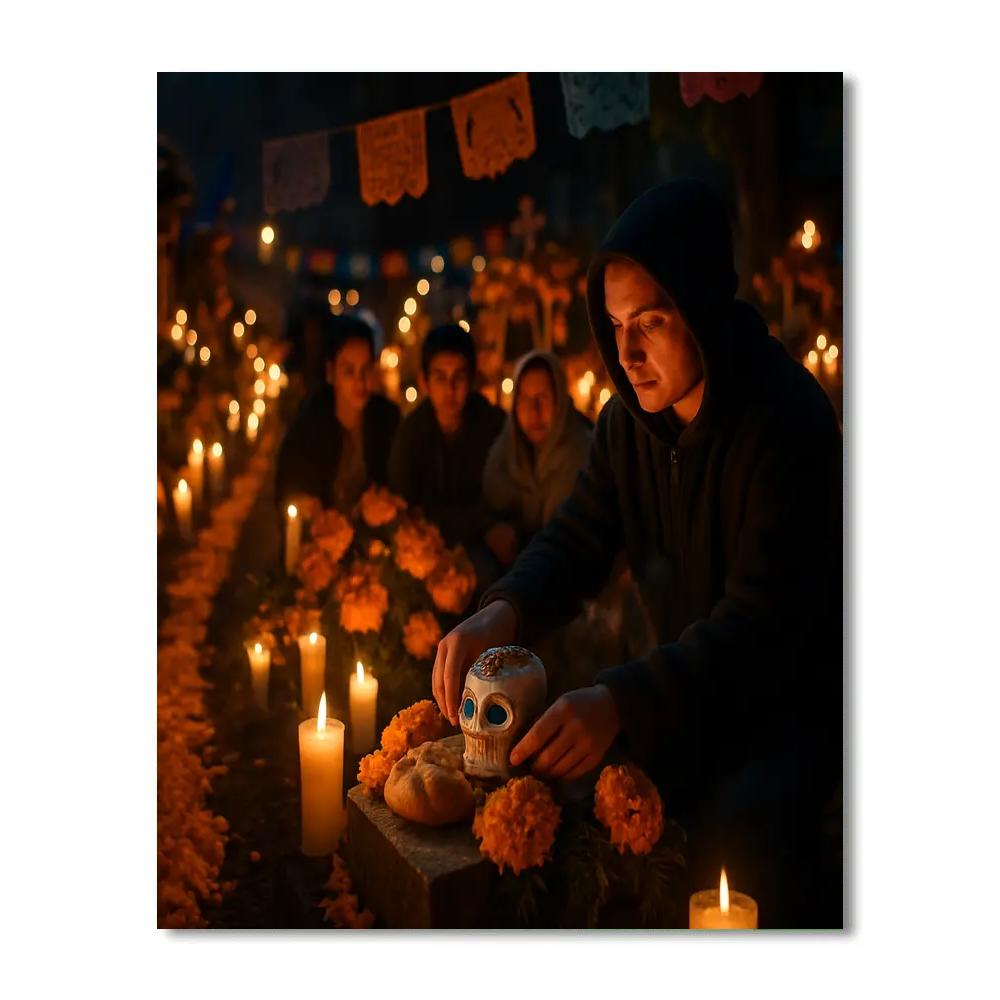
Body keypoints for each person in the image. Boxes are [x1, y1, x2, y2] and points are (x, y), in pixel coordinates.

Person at [432, 179, 843, 928]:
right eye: (616, 324)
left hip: (784, 720)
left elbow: (760, 626)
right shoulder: (630, 423)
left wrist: (621, 700)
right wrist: (503, 610)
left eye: (650, 322)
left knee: (718, 859)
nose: (626, 352)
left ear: (705, 311)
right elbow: (577, 535)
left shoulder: (787, 426)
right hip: (685, 703)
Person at [388, 323, 505, 571]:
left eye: (459, 377)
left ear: (472, 379)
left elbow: (505, 497)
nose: (450, 390)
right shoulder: (411, 435)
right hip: (427, 548)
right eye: (440, 377)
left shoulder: (493, 426)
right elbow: (407, 509)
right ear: (424, 381)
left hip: (483, 546)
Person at [275, 314, 400, 513]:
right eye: (349, 371)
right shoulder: (307, 432)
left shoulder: (388, 422)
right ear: (331, 373)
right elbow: (291, 507)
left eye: (365, 369)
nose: (360, 382)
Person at [481, 350, 592, 569]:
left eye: (543, 398)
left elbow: (568, 538)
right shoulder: (505, 451)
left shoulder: (582, 453)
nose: (533, 410)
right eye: (524, 399)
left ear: (560, 399)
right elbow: (485, 506)